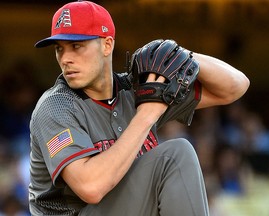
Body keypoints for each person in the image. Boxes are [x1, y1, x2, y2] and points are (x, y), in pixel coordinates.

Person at [29, 1, 250, 215]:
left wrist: (182, 56)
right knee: (174, 155)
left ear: (107, 45)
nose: (65, 58)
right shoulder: (56, 106)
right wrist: (147, 114)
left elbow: (235, 87)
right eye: (60, 48)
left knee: (176, 156)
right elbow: (91, 188)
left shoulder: (135, 89)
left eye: (76, 46)